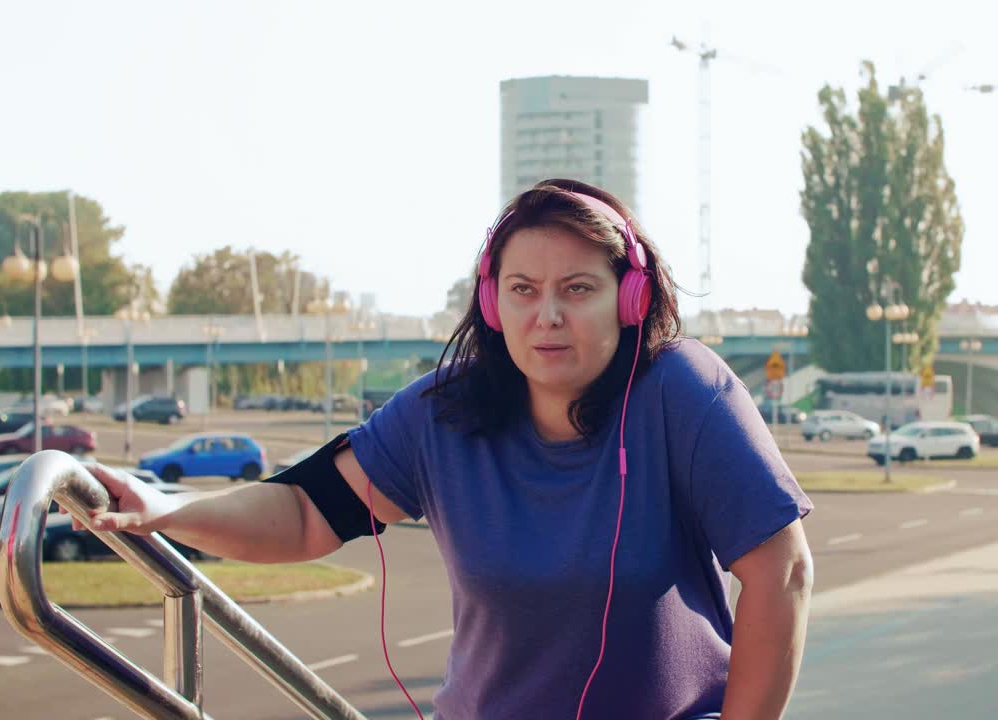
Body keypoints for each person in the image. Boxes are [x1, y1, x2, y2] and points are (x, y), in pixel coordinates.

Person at [75, 179, 815, 719]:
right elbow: (305, 513)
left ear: (629, 300)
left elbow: (780, 573)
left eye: (578, 289)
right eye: (522, 289)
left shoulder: (682, 390)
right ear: (493, 303)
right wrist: (168, 507)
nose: (547, 316)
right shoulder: (444, 412)